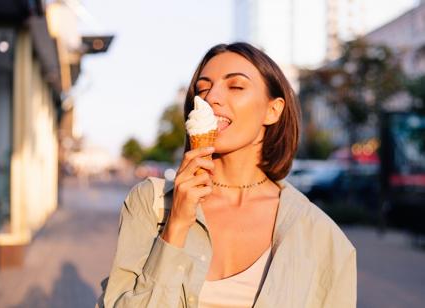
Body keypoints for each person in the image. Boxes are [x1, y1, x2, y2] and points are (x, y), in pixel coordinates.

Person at [97, 42, 356, 308]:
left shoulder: (321, 237)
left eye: (235, 86)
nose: (211, 98)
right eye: (203, 88)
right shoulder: (150, 204)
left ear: (273, 110)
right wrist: (175, 226)